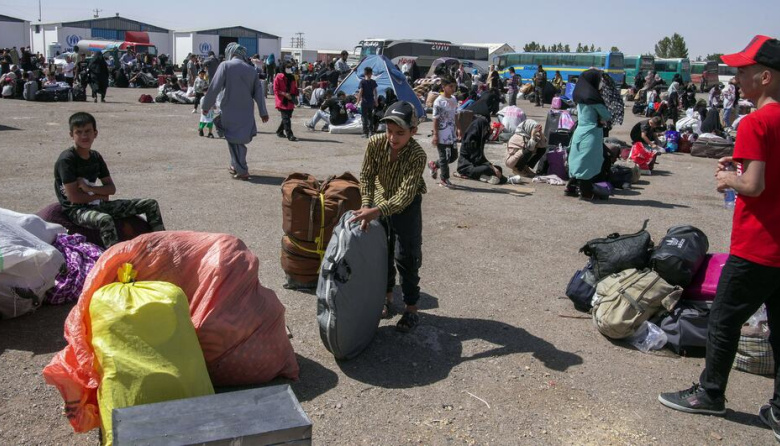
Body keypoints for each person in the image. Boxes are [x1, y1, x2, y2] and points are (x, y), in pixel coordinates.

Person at [657, 36, 780, 444]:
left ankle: (710, 393)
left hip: (757, 245)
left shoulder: (757, 121)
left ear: (765, 77)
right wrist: (741, 162)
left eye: (743, 71)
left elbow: (755, 186)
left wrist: (731, 177)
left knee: (724, 319)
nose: (736, 77)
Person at [349, 101, 426, 333]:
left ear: (413, 131)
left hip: (406, 208)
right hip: (378, 204)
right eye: (389, 131)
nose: (393, 138)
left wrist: (377, 210)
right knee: (381, 254)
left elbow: (405, 194)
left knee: (406, 257)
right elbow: (367, 175)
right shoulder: (374, 143)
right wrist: (366, 205)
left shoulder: (417, 155)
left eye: (400, 133)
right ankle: (386, 297)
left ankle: (411, 308)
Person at [54, 112, 165, 248]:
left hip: (96, 203)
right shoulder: (67, 160)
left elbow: (111, 189)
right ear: (72, 135)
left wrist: (90, 190)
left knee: (150, 204)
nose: (84, 136)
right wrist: (99, 195)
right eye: (79, 132)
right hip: (77, 211)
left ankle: (162, 245)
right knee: (105, 220)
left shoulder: (95, 157)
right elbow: (74, 198)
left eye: (88, 131)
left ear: (95, 133)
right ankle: (115, 259)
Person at [201, 42, 269, 180]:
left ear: (230, 53)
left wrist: (206, 105)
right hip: (247, 110)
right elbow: (258, 93)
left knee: (233, 138)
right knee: (236, 138)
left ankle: (242, 170)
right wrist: (263, 112)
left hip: (229, 108)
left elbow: (214, 86)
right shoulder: (251, 69)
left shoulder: (225, 65)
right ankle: (234, 165)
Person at [566, 68, 612, 200]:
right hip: (591, 134)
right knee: (588, 163)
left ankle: (571, 187)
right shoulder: (594, 99)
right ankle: (586, 193)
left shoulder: (580, 96)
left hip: (580, 131)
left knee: (577, 161)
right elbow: (607, 115)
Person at [428, 76, 459, 188]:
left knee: (453, 156)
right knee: (444, 157)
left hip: (452, 133)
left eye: (454, 86)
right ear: (443, 87)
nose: (453, 89)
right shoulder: (438, 102)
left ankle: (434, 165)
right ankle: (444, 179)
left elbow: (455, 115)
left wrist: (458, 129)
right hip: (442, 134)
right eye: (450, 86)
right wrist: (435, 135)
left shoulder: (454, 99)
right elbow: (435, 119)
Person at [456, 116, 506, 184]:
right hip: (466, 167)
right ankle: (483, 176)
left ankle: (484, 176)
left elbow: (480, 157)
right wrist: (491, 167)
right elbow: (476, 158)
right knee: (488, 169)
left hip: (475, 164)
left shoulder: (477, 138)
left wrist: (492, 166)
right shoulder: (471, 140)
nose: (486, 131)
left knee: (498, 168)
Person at [274, 60, 299, 141]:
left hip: (290, 100)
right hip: (282, 101)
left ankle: (279, 131)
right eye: (287, 67)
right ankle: (290, 135)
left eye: (290, 67)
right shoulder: (278, 77)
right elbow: (276, 90)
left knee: (287, 118)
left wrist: (298, 93)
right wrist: (284, 94)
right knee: (286, 118)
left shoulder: (292, 77)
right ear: (283, 68)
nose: (289, 69)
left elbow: (295, 88)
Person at [356, 66, 378, 138]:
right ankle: (371, 132)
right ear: (370, 74)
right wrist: (376, 101)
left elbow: (360, 92)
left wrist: (358, 101)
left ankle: (365, 133)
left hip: (364, 102)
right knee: (370, 117)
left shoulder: (362, 82)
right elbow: (375, 92)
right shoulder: (373, 82)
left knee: (364, 117)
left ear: (365, 73)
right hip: (371, 101)